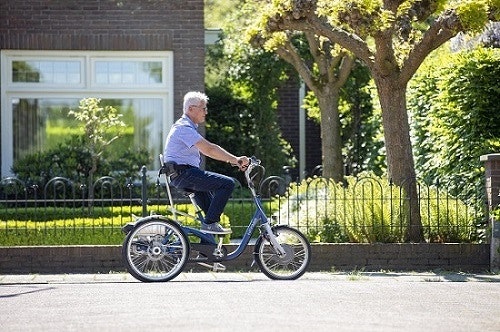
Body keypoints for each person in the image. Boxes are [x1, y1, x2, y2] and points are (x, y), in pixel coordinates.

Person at [163, 91, 249, 234]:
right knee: (227, 183)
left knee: (211, 218)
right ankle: (209, 225)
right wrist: (235, 159)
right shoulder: (183, 128)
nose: (206, 112)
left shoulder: (187, 127)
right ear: (191, 109)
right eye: (203, 108)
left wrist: (233, 160)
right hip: (184, 174)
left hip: (186, 173)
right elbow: (209, 149)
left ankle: (206, 252)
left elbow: (209, 149)